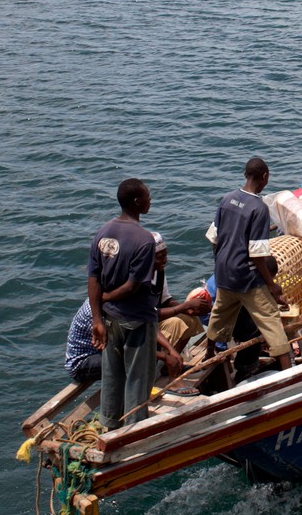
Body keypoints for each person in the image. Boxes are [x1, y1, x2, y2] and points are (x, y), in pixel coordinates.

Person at [87, 177, 160, 430]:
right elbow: (132, 286)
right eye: (148, 195)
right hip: (136, 319)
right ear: (138, 202)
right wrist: (106, 298)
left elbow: (93, 277)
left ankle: (109, 424)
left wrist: (97, 318)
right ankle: (134, 428)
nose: (151, 199)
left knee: (112, 375)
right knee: (138, 378)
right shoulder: (144, 239)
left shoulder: (103, 232)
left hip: (108, 319)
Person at [207, 157, 291, 369]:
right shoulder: (259, 208)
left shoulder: (226, 199)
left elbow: (214, 239)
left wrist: (222, 264)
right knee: (272, 321)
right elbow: (256, 255)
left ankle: (209, 357)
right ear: (264, 177)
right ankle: (290, 372)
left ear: (246, 174)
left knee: (218, 317)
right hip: (247, 278)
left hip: (224, 274)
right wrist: (271, 286)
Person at [151, 234, 209, 370]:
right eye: (160, 257)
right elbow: (147, 315)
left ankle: (171, 364)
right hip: (143, 326)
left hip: (155, 320)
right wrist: (184, 307)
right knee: (177, 323)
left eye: (165, 256)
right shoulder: (139, 278)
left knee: (190, 319)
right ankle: (170, 360)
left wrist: (190, 309)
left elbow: (165, 299)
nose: (165, 260)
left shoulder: (159, 272)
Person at [64, 300, 103, 390]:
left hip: (96, 353)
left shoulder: (97, 300)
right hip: (81, 363)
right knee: (129, 359)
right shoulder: (95, 311)